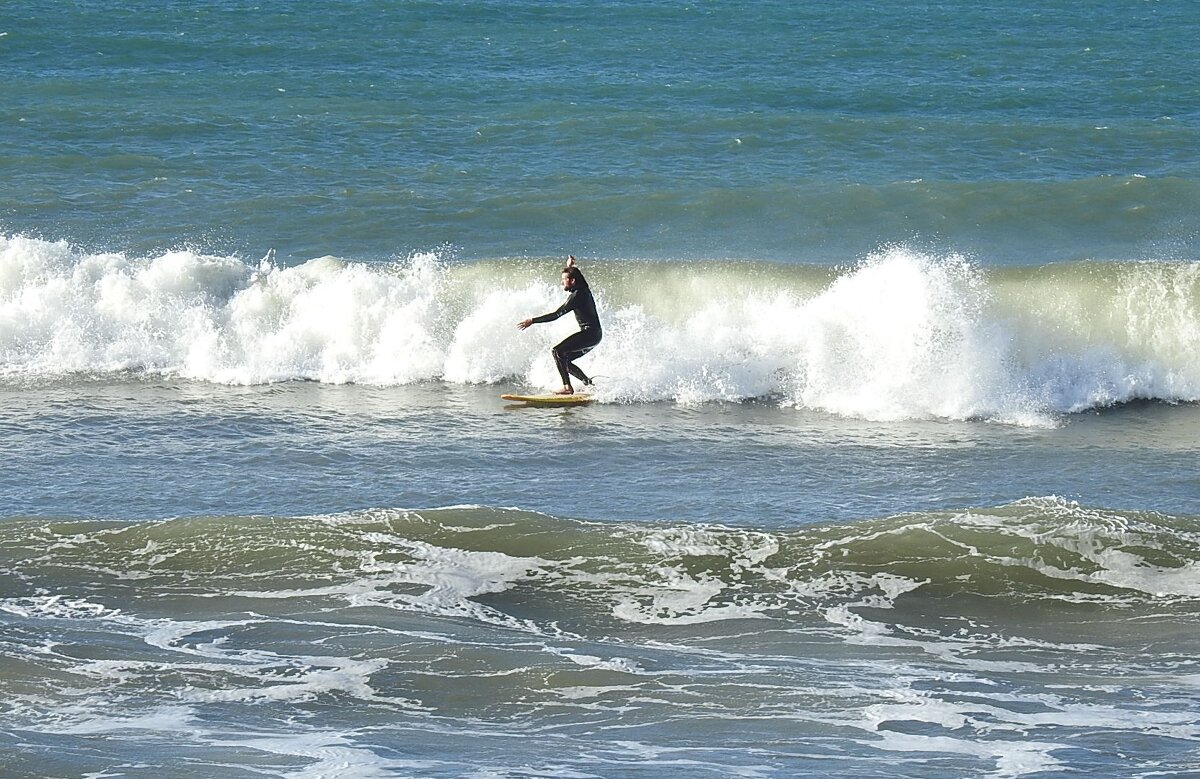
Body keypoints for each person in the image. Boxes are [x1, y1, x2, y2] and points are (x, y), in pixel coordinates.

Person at [517, 256, 602, 395]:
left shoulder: (577, 296)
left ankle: (567, 387)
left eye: (564, 279)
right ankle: (589, 384)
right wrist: (570, 267)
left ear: (572, 281)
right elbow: (578, 277)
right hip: (595, 336)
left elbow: (556, 315)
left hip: (589, 334)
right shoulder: (583, 289)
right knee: (564, 360)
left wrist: (532, 320)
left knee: (557, 351)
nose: (562, 282)